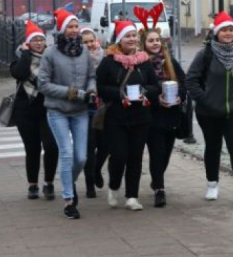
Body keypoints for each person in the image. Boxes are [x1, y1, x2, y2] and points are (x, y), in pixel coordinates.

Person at [186, 11, 233, 205]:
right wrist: (205, 100)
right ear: (216, 33)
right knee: (213, 148)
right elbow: (191, 80)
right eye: (224, 30)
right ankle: (212, 184)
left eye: (231, 30)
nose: (228, 33)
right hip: (209, 112)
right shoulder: (206, 54)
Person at [38, 9, 96, 219]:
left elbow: (91, 76)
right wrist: (69, 92)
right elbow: (42, 84)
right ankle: (69, 200)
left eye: (75, 26)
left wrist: (91, 90)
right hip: (57, 110)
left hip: (80, 111)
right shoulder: (50, 53)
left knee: (81, 157)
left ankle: (67, 181)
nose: (73, 30)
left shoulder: (84, 52)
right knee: (67, 153)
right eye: (69, 27)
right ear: (61, 29)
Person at [96, 20, 160, 211]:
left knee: (135, 157)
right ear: (119, 39)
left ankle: (132, 196)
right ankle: (114, 186)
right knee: (119, 155)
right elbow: (100, 88)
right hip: (116, 117)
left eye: (133, 35)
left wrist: (144, 91)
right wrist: (120, 94)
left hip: (140, 116)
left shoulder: (144, 61)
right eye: (127, 36)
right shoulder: (109, 61)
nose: (132, 39)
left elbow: (155, 86)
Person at [9, 20, 59, 200]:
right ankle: (32, 185)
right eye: (35, 40)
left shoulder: (51, 59)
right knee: (32, 149)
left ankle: (49, 183)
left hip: (47, 109)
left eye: (41, 39)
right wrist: (25, 54)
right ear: (28, 43)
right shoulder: (19, 60)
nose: (39, 43)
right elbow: (21, 73)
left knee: (52, 146)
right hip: (25, 110)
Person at [139, 23, 187, 207]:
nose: (155, 43)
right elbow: (140, 87)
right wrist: (156, 96)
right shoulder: (141, 63)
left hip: (171, 113)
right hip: (151, 114)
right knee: (157, 152)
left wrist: (179, 97)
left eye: (157, 40)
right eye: (151, 40)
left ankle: (156, 178)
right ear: (144, 43)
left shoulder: (169, 60)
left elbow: (183, 82)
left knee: (166, 152)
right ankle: (159, 189)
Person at [80, 27, 106, 198]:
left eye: (91, 41)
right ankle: (90, 183)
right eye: (85, 42)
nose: (89, 44)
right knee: (89, 147)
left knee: (106, 145)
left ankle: (97, 168)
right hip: (86, 109)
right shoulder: (77, 60)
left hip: (104, 107)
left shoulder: (105, 57)